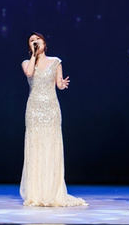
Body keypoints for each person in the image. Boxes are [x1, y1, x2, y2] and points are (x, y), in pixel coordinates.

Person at [20, 32, 87, 207]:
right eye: (32, 41)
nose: (35, 41)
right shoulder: (27, 63)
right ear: (29, 47)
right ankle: (35, 193)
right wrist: (34, 55)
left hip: (51, 110)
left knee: (51, 146)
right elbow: (29, 74)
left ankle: (52, 192)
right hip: (34, 110)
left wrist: (62, 85)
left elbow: (59, 83)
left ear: (44, 43)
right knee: (35, 147)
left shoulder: (56, 61)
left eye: (38, 39)